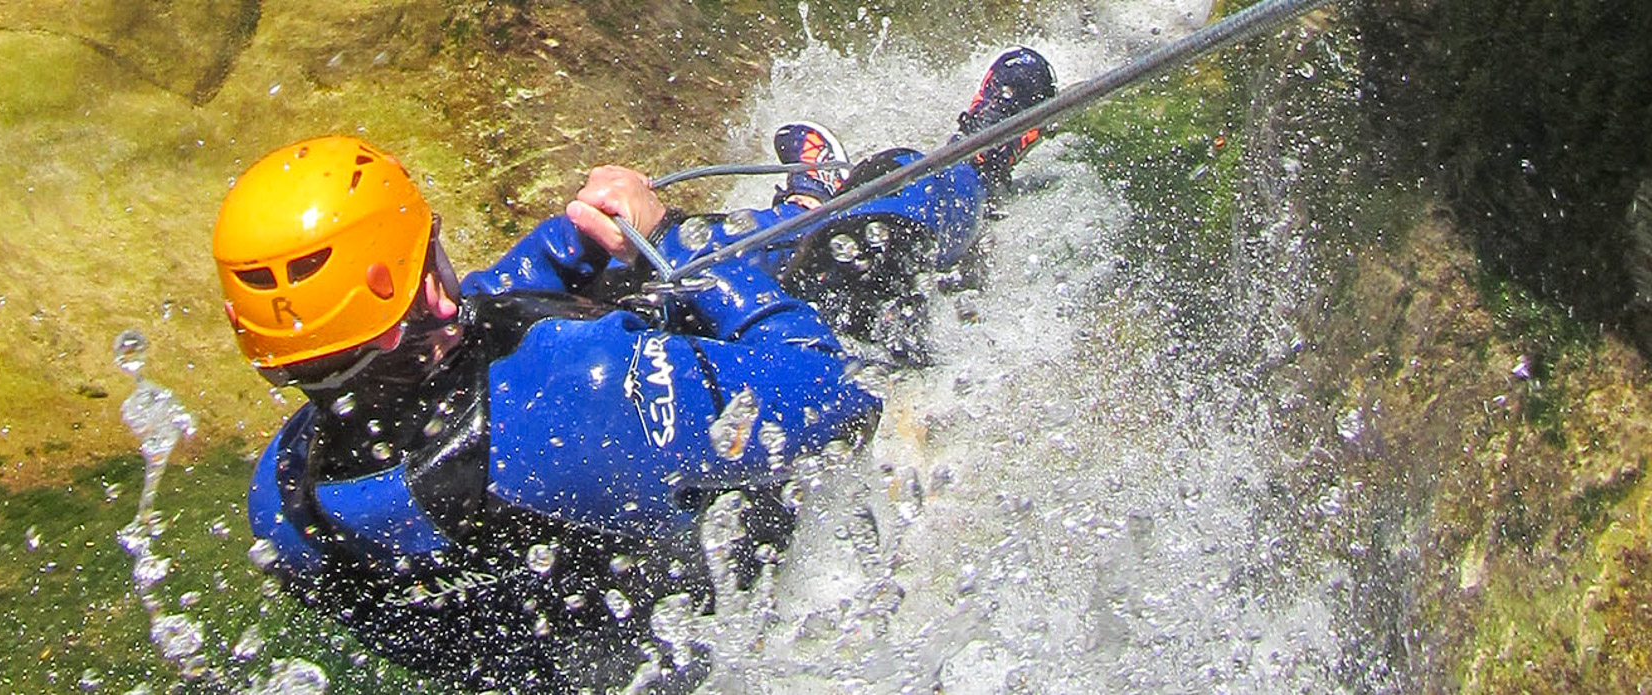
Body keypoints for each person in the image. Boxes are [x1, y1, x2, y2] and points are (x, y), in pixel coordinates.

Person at [215, 48, 1055, 693]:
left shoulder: (282, 502)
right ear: (422, 282)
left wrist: (571, 239)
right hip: (729, 545)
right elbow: (830, 389)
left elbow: (475, 312)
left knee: (625, 280)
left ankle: (799, 201)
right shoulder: (584, 384)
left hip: (619, 625)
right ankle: (971, 155)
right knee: (865, 238)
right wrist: (674, 240)